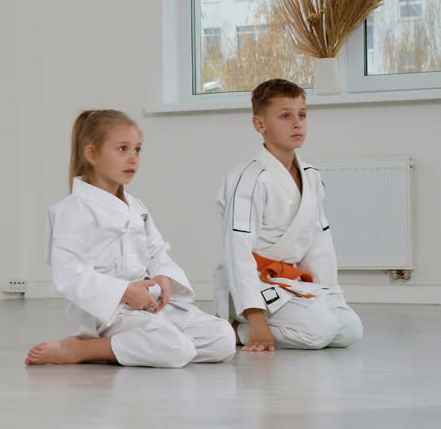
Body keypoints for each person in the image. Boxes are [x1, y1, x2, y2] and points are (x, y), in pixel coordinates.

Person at [25, 110, 235, 368]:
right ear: (91, 154)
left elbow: (157, 251)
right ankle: (85, 349)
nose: (133, 158)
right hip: (108, 312)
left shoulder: (136, 207)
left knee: (223, 338)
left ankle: (143, 343)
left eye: (137, 150)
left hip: (148, 303)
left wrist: (163, 276)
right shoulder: (72, 210)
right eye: (122, 149)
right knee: (176, 350)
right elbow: (69, 274)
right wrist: (123, 291)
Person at [213, 78, 363, 352]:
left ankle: (305, 314)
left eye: (302, 115)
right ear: (260, 125)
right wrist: (254, 317)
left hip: (290, 280)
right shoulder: (247, 178)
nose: (297, 124)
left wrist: (331, 294)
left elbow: (319, 242)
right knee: (318, 333)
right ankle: (233, 329)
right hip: (254, 283)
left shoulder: (311, 176)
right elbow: (237, 250)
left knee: (350, 330)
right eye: (285, 116)